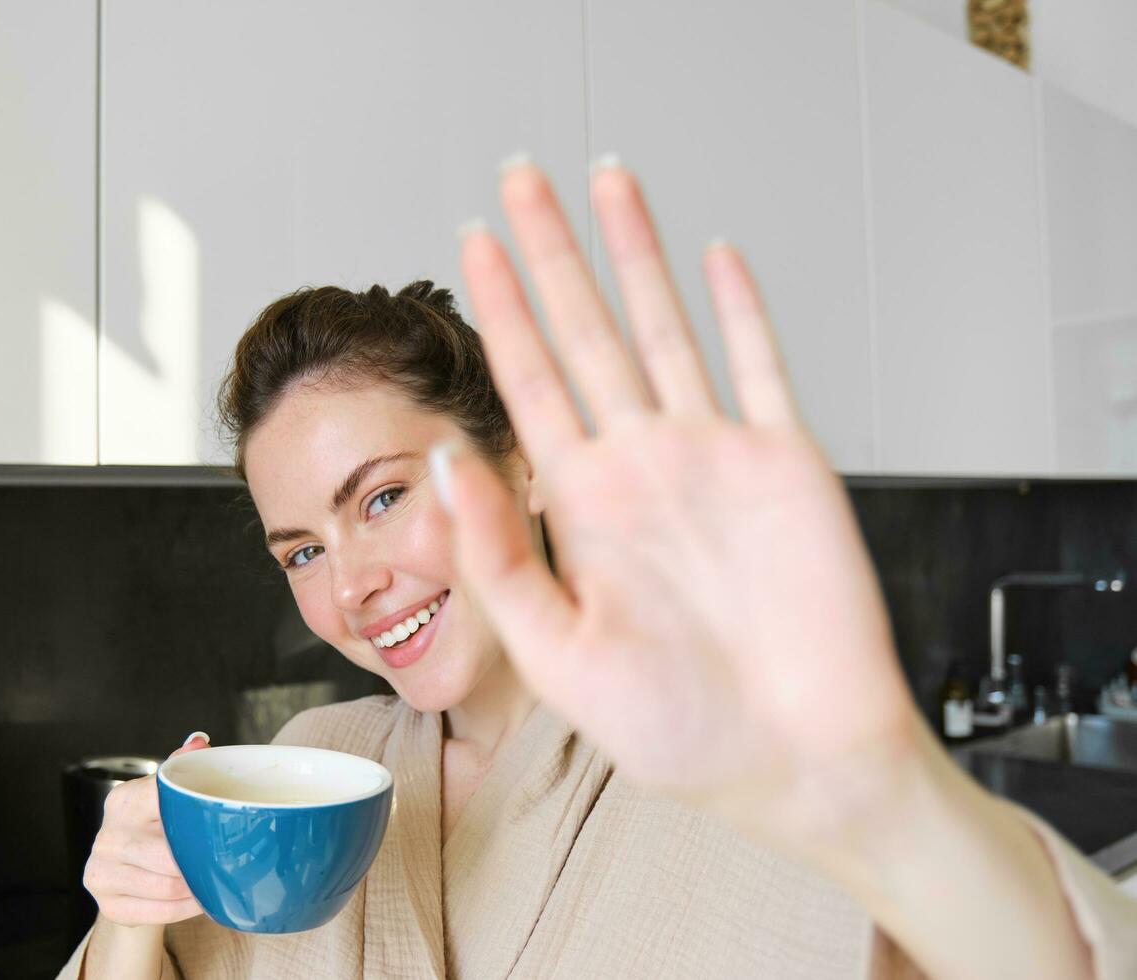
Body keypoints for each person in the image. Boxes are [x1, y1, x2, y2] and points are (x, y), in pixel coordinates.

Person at [60, 160, 1137, 979]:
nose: (350, 587)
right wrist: (129, 912)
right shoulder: (306, 771)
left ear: (522, 459)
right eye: (301, 548)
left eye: (383, 495)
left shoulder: (724, 765)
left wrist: (892, 799)